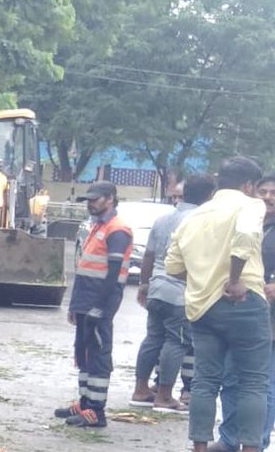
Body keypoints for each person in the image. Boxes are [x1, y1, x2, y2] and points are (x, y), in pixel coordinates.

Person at [164, 156, 271, 452]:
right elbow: (246, 236)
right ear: (249, 185)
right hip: (244, 301)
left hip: (203, 308)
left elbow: (172, 266)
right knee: (253, 382)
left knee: (204, 382)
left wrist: (204, 280)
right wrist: (233, 278)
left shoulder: (194, 215)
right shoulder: (250, 205)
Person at [129, 176, 215, 412]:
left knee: (153, 338)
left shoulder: (163, 219)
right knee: (176, 341)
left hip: (157, 287)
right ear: (209, 196)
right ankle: (165, 395)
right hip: (180, 290)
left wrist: (144, 284)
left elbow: (148, 254)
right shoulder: (203, 221)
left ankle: (140, 389)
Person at [53, 181, 133, 428]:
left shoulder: (117, 230)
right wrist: (75, 306)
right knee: (84, 353)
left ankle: (96, 411)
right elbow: (86, 268)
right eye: (88, 200)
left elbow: (113, 274)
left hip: (99, 301)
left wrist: (99, 307)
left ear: (110, 198)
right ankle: (85, 403)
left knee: (98, 354)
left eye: (95, 199)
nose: (90, 204)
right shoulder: (98, 226)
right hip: (86, 300)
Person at [207, 172, 275, 452]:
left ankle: (254, 446)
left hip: (269, 318)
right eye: (263, 192)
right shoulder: (246, 221)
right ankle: (229, 439)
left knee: (262, 383)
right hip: (239, 311)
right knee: (231, 377)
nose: (268, 197)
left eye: (274, 193)